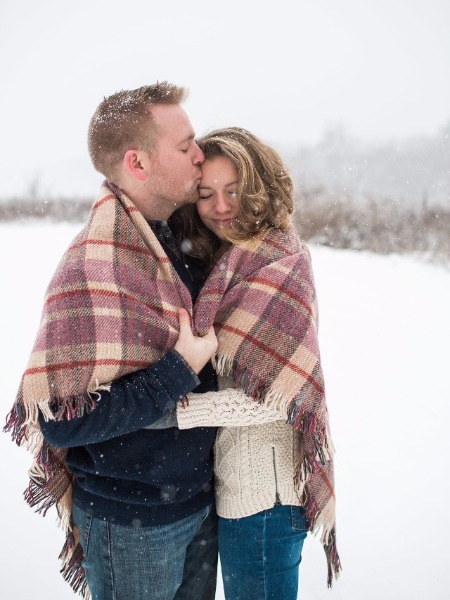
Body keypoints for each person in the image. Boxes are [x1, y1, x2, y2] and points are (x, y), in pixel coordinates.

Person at [4, 82, 220, 600]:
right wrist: (178, 369)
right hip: (132, 525)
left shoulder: (183, 244)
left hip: (200, 504)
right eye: (185, 144)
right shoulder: (91, 266)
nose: (200, 154)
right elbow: (61, 419)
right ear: (137, 163)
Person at [171, 127, 341, 599]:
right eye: (206, 194)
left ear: (260, 189)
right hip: (238, 484)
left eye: (234, 192)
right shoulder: (229, 262)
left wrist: (176, 412)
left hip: (266, 494)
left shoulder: (282, 262)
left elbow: (276, 398)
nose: (221, 207)